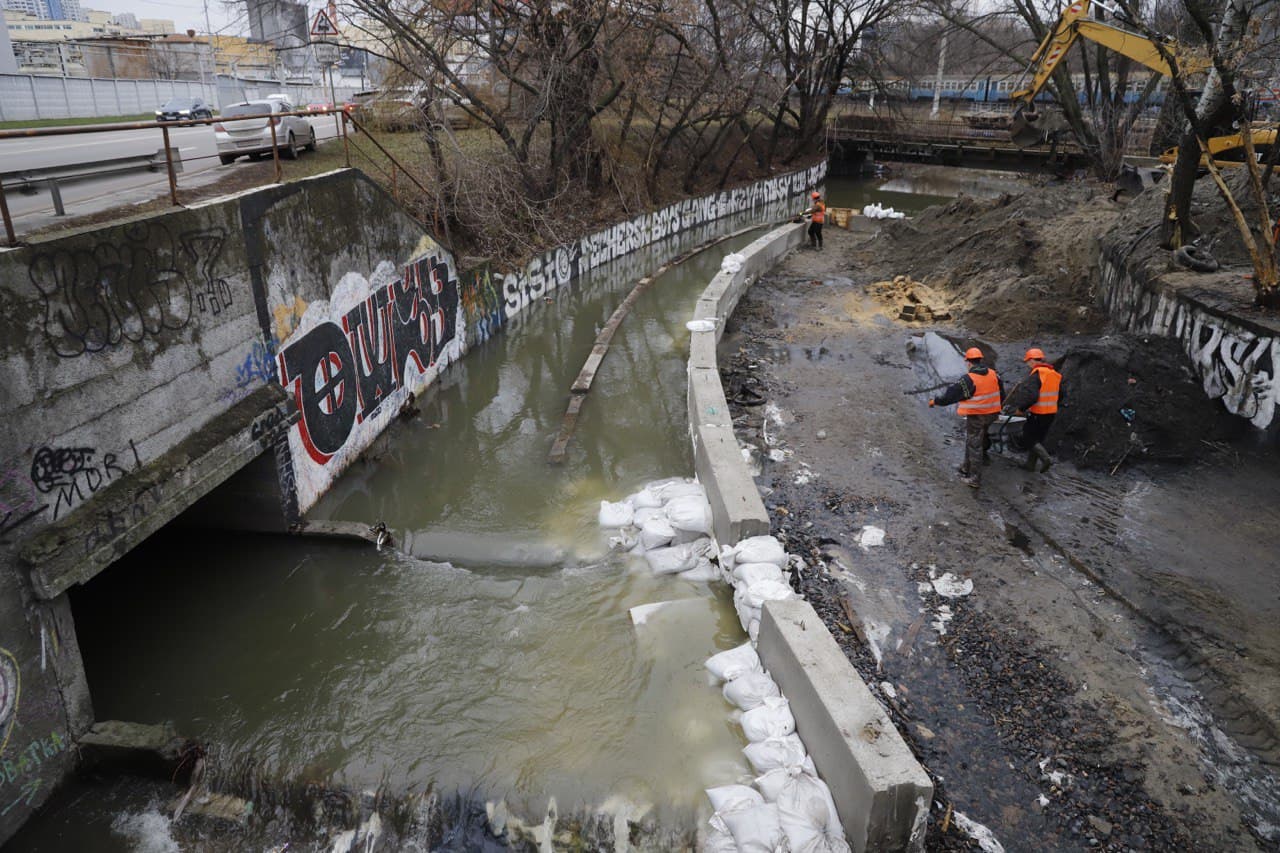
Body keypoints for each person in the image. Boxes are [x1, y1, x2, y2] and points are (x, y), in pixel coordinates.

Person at [929, 347, 1004, 488]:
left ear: (968, 362)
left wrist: (936, 401)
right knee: (974, 439)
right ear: (980, 360)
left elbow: (951, 395)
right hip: (992, 414)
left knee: (974, 444)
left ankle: (975, 478)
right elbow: (1002, 392)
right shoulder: (994, 374)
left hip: (977, 416)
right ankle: (966, 466)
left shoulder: (968, 379)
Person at [1004, 347, 1061, 472]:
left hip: (1038, 413)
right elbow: (1060, 394)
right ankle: (1030, 465)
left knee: (1028, 437)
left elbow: (1032, 396)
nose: (1028, 365)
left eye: (1028, 362)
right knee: (1038, 438)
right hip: (1051, 413)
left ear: (1032, 361)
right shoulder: (1055, 374)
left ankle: (1046, 458)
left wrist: (1021, 409)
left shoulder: (1036, 375)